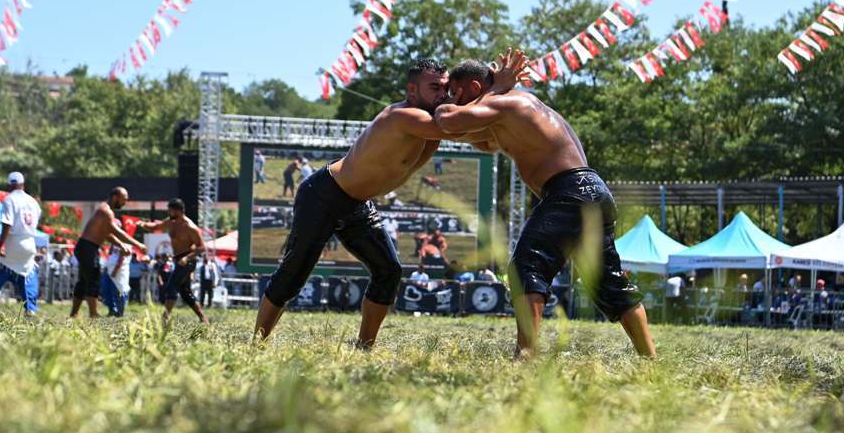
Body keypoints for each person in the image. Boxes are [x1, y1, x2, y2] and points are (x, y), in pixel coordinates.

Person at [253, 53, 526, 345]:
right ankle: (258, 342)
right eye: (434, 88)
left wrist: (496, 96)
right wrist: (495, 91)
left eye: (446, 88)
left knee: (389, 271)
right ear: (412, 91)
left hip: (358, 205)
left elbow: (484, 141)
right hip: (324, 194)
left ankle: (365, 345)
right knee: (295, 273)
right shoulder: (403, 116)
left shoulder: (434, 124)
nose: (443, 94)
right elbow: (461, 125)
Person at [434, 55, 654, 358]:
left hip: (569, 192)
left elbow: (446, 120)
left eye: (454, 92)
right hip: (593, 191)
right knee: (608, 282)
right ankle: (650, 358)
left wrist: (487, 92)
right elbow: (480, 140)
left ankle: (526, 354)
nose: (450, 99)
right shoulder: (510, 109)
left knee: (527, 265)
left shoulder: (506, 103)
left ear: (474, 86)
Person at [70, 187, 147, 319]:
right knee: (93, 279)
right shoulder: (106, 211)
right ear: (115, 197)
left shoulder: (104, 211)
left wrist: (121, 245)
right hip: (88, 247)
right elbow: (117, 232)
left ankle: (73, 315)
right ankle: (93, 314)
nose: (125, 203)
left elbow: (108, 235)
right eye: (124, 200)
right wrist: (138, 244)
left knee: (83, 282)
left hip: (86, 247)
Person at [0, 172, 43, 316]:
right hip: (29, 243)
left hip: (13, 243)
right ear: (23, 184)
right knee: (28, 275)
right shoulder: (33, 202)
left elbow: (6, 224)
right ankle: (31, 309)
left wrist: (1, 244)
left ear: (9, 185)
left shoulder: (9, 200)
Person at [138, 198, 209, 324]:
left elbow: (201, 248)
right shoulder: (171, 222)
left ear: (179, 211)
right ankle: (203, 318)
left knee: (171, 286)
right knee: (185, 291)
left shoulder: (190, 227)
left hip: (188, 259)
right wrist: (143, 224)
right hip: (178, 259)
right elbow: (155, 227)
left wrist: (187, 258)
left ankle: (165, 318)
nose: (168, 213)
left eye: (170, 211)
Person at [101, 242, 131, 317]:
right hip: (108, 269)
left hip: (119, 271)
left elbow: (122, 258)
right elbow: (110, 254)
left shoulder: (125, 243)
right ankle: (112, 310)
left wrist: (115, 270)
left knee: (118, 291)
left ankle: (120, 312)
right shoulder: (113, 243)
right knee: (106, 290)